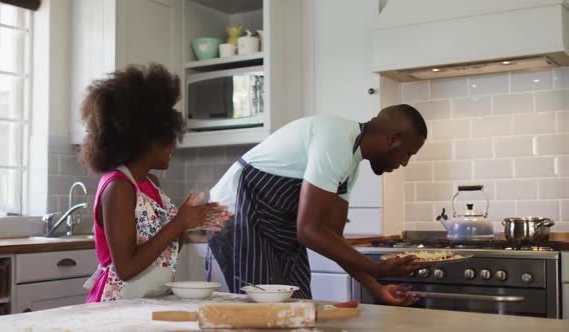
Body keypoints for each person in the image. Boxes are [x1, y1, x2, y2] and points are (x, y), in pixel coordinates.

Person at [209, 104, 429, 306]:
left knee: (299, 309)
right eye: (407, 153)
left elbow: (332, 238)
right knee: (268, 313)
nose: (404, 162)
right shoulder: (336, 139)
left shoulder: (350, 166)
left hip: (276, 224)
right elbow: (308, 231)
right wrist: (377, 269)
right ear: (393, 139)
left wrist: (376, 288)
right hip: (236, 214)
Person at [79, 63, 231, 302]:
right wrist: (179, 222)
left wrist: (187, 222)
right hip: (115, 306)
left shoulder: (150, 183)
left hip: (148, 301)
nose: (173, 145)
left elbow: (164, 253)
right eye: (167, 136)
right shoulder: (118, 187)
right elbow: (126, 268)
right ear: (143, 138)